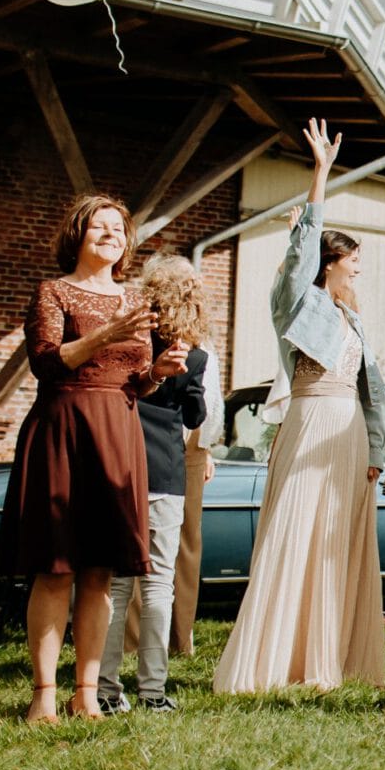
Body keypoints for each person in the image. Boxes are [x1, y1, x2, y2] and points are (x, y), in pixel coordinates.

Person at [0, 195, 188, 724]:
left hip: (118, 432)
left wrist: (161, 372)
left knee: (101, 571)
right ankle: (42, 695)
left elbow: (138, 380)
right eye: (99, 227)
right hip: (63, 429)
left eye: (118, 230)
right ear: (77, 236)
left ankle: (86, 693)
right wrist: (105, 335)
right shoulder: (52, 291)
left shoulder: (134, 300)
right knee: (56, 569)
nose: (110, 235)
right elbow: (45, 362)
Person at [214, 119, 385, 694]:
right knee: (296, 534)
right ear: (330, 260)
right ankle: (277, 659)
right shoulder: (297, 303)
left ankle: (332, 659)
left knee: (339, 540)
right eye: (354, 257)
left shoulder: (354, 317)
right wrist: (320, 174)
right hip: (310, 423)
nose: (360, 265)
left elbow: (370, 393)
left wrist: (377, 451)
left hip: (349, 438)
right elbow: (299, 254)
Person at [96, 254, 210, 714]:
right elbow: (196, 416)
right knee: (160, 583)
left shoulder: (126, 344)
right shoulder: (195, 355)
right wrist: (186, 384)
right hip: (165, 470)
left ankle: (104, 689)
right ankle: (153, 691)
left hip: (121, 466)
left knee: (118, 586)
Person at [169, 266, 224, 659]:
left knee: (187, 544)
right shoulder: (154, 336)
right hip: (156, 440)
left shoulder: (207, 344)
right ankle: (135, 636)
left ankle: (180, 636)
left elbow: (212, 399)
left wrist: (206, 448)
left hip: (193, 447)